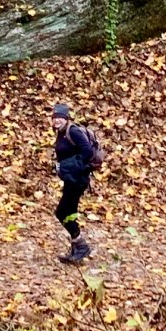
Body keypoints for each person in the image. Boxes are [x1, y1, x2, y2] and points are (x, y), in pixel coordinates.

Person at [50, 101, 102, 264]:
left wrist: (69, 165)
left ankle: (81, 245)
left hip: (78, 179)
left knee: (62, 212)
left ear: (66, 118)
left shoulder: (73, 131)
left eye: (60, 117)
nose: (57, 120)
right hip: (71, 179)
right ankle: (76, 247)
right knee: (68, 212)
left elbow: (87, 151)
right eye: (55, 117)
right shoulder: (61, 132)